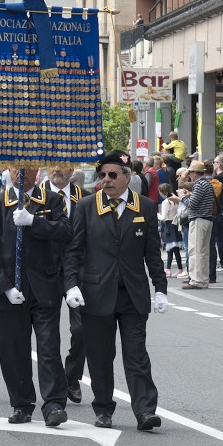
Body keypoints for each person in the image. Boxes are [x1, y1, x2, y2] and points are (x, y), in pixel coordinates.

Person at [64, 150, 167, 431]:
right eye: (102, 175)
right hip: (96, 293)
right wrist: (71, 285)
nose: (106, 180)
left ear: (127, 177)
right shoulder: (87, 206)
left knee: (137, 355)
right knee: (100, 355)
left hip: (132, 294)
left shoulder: (144, 207)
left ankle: (145, 411)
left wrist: (160, 288)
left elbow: (152, 252)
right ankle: (103, 409)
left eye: (112, 175)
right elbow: (74, 251)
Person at [0, 166, 72, 426]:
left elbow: (65, 232)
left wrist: (35, 222)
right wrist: (5, 287)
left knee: (48, 348)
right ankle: (21, 403)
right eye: (17, 167)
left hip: (44, 285)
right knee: (13, 351)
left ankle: (54, 403)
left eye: (30, 167)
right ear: (8, 170)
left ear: (38, 170)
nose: (24, 173)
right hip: (11, 289)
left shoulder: (52, 200)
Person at [44, 164, 88, 404]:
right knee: (48, 332)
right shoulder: (37, 195)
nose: (57, 169)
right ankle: (53, 383)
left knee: (82, 329)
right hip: (46, 270)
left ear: (72, 168)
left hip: (78, 270)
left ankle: (72, 375)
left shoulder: (86, 198)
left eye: (63, 165)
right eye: (53, 164)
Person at [174, 160, 215, 289]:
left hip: (198, 219)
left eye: (190, 172)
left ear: (193, 173)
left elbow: (192, 204)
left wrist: (182, 196)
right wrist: (190, 195)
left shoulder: (198, 185)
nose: (190, 175)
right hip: (207, 219)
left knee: (195, 251)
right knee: (203, 252)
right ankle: (203, 279)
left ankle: (196, 280)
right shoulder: (207, 184)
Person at [158, 183, 183, 277]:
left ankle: (168, 269)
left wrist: (157, 215)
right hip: (175, 225)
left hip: (168, 226)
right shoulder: (175, 200)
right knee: (177, 251)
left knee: (169, 250)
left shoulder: (165, 202)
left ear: (162, 192)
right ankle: (180, 269)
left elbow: (163, 217)